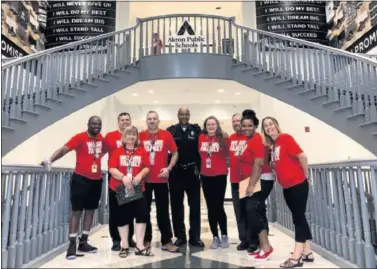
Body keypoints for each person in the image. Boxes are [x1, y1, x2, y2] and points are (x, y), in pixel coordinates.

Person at [41, 116, 104, 260]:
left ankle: (84, 242)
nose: (97, 126)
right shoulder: (80, 137)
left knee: (90, 211)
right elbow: (64, 149)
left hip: (96, 180)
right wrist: (50, 160)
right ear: (88, 124)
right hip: (80, 179)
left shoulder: (101, 139)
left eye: (99, 124)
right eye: (94, 124)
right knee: (76, 211)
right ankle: (71, 245)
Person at [261, 116, 313, 268]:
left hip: (297, 184)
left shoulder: (285, 138)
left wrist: (305, 174)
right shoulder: (274, 144)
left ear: (276, 125)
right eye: (266, 126)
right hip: (287, 186)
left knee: (298, 219)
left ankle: (297, 256)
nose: (269, 127)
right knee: (299, 217)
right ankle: (307, 251)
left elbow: (302, 156)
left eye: (271, 124)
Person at [108, 126, 154, 258]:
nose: (131, 136)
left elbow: (146, 167)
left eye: (134, 134)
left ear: (137, 137)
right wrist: (123, 177)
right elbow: (111, 168)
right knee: (123, 217)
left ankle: (140, 246)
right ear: (124, 136)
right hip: (121, 188)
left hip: (137, 188)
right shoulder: (117, 151)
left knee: (142, 214)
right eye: (129, 134)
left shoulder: (141, 151)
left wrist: (139, 176)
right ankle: (125, 246)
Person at [139, 111, 180, 253]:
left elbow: (175, 152)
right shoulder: (140, 136)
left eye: (154, 118)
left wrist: (168, 168)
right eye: (149, 118)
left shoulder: (166, 135)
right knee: (144, 211)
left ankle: (166, 241)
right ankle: (146, 239)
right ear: (146, 121)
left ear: (158, 121)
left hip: (161, 179)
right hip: (144, 180)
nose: (151, 121)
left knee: (163, 212)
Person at [238, 110, 274, 261]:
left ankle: (266, 247)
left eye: (250, 126)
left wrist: (251, 185)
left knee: (252, 209)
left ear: (255, 126)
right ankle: (263, 246)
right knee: (255, 211)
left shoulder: (257, 139)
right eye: (244, 126)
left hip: (261, 180)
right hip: (252, 180)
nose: (247, 128)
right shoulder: (249, 140)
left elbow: (259, 164)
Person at [166, 107, 204, 247]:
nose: (183, 116)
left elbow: (209, 138)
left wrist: (222, 134)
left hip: (192, 172)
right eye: (181, 113)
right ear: (177, 115)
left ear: (189, 115)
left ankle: (195, 237)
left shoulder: (197, 130)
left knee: (194, 206)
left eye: (186, 114)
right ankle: (180, 236)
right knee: (176, 206)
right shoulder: (170, 130)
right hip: (175, 173)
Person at [104, 112, 136, 251]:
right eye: (122, 120)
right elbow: (100, 152)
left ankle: (128, 238)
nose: (125, 122)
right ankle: (116, 240)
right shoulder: (110, 136)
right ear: (118, 122)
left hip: (130, 180)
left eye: (127, 120)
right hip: (116, 179)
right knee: (115, 211)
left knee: (129, 211)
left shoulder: (134, 136)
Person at [199, 116, 230, 249]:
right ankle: (215, 236)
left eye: (213, 124)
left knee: (218, 206)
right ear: (205, 126)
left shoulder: (223, 138)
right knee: (210, 207)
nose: (211, 126)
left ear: (217, 125)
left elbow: (229, 154)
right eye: (208, 124)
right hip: (205, 176)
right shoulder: (201, 138)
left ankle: (224, 235)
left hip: (220, 176)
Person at [228, 113, 249, 251]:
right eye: (234, 121)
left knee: (251, 211)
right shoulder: (230, 138)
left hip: (248, 180)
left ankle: (253, 239)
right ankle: (244, 239)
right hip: (235, 180)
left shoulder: (249, 137)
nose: (236, 123)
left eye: (238, 120)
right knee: (239, 211)